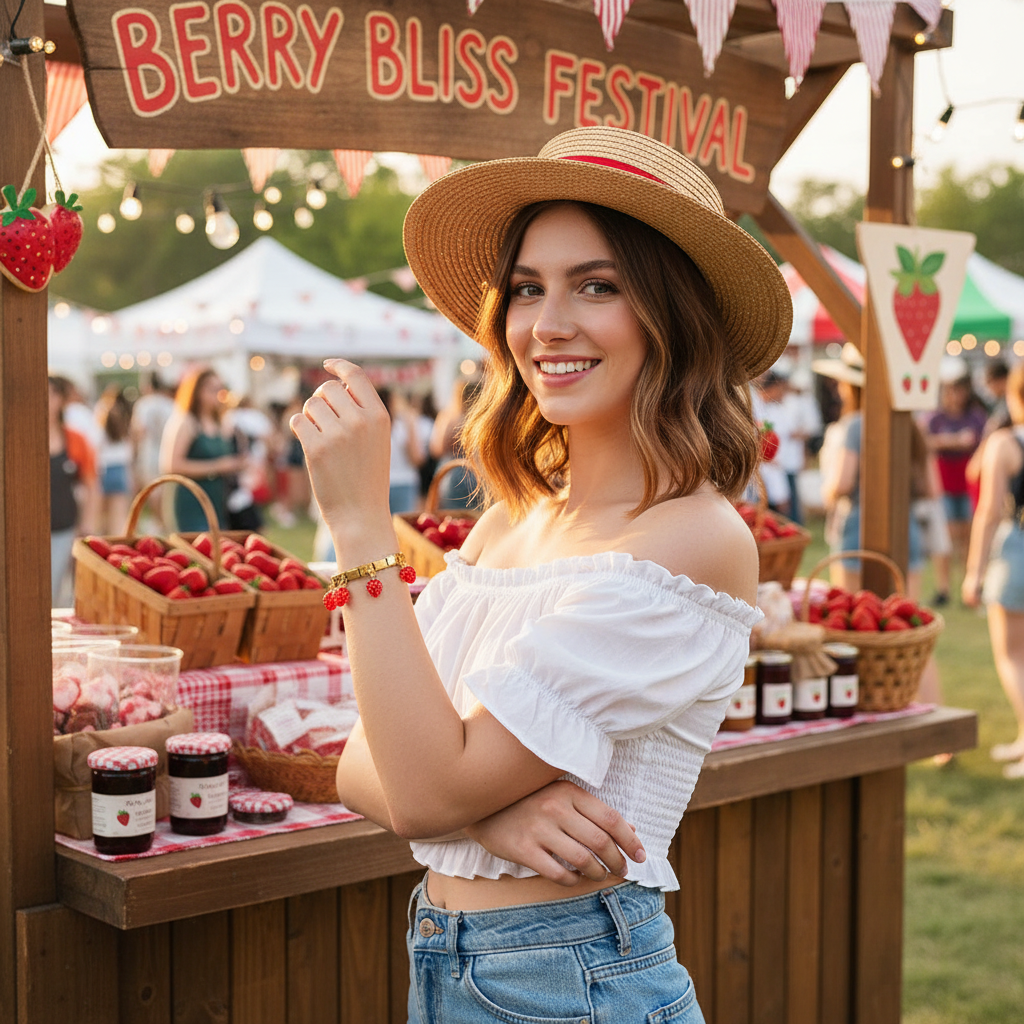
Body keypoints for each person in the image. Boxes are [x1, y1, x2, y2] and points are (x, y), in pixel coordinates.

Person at [291, 126, 790, 1023]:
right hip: (447, 961)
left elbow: (416, 789)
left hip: (576, 977)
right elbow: (362, 762)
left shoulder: (694, 540)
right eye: (527, 289)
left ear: (671, 316)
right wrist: (488, 816)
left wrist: (362, 526)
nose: (547, 323)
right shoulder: (505, 523)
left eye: (597, 286)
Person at [814, 344, 925, 596]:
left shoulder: (855, 425)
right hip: (906, 525)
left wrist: (827, 493)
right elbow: (930, 487)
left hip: (859, 526)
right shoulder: (910, 423)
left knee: (855, 620)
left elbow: (841, 484)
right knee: (903, 619)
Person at [962, 363, 1024, 779]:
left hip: (1016, 550)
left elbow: (987, 512)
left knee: (1012, 655)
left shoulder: (1006, 442)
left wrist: (973, 572)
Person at [924, 359, 987, 602]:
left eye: (958, 389)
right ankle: (944, 588)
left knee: (969, 536)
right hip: (944, 483)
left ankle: (967, 584)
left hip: (968, 483)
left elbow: (984, 443)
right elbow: (924, 442)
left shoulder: (976, 416)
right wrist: (951, 442)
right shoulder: (934, 418)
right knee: (947, 537)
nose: (954, 395)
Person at [160, 367, 243, 531]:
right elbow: (171, 465)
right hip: (190, 499)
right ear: (197, 392)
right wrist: (218, 466)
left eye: (221, 388)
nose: (219, 394)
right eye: (213, 389)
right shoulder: (186, 422)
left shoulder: (220, 422)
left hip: (216, 499)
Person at [49, 375, 99, 605]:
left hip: (63, 525)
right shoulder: (19, 438)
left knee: (59, 592)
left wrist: (87, 523)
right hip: (26, 530)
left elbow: (91, 484)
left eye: (50, 394)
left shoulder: (74, 439)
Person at [130, 373, 176, 530]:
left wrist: (134, 454)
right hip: (167, 450)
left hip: (149, 453)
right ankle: (166, 523)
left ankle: (161, 523)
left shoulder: (144, 404)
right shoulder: (170, 404)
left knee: (153, 490)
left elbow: (139, 431)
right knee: (165, 490)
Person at [94, 385, 133, 534]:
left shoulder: (100, 417)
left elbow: (96, 448)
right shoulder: (124, 422)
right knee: (118, 522)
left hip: (103, 469)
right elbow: (129, 452)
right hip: (120, 469)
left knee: (100, 521)